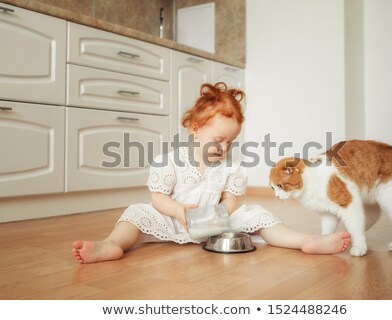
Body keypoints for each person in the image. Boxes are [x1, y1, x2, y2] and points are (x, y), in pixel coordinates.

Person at [72, 82, 351, 263]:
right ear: (195, 129)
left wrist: (224, 211)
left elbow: (232, 198)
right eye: (218, 140)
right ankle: (110, 245)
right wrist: (179, 210)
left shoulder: (231, 167)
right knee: (136, 213)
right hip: (174, 220)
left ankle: (306, 241)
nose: (224, 147)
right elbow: (158, 198)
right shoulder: (170, 160)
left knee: (257, 214)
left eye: (231, 142)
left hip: (215, 225)